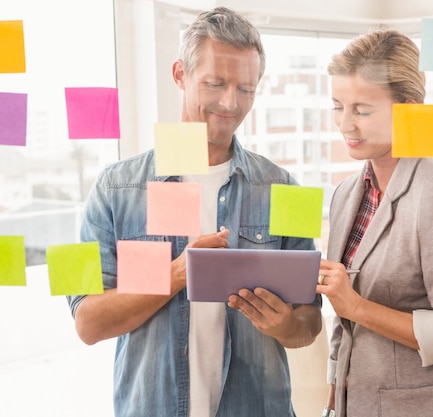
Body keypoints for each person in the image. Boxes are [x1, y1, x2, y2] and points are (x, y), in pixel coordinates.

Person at [67, 7, 322, 417]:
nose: (230, 103)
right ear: (180, 74)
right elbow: (87, 323)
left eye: (246, 89)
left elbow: (311, 322)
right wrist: (179, 273)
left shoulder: (286, 188)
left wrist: (287, 326)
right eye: (216, 83)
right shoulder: (112, 188)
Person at [316, 29, 433, 417]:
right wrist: (336, 388)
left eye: (362, 110)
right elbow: (343, 320)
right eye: (338, 106)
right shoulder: (347, 193)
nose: (345, 124)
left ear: (410, 107)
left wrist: (358, 306)